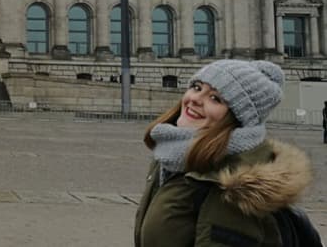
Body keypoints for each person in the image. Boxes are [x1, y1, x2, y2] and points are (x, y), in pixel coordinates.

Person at [134, 60, 314, 246]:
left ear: (237, 118)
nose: (195, 99)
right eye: (197, 87)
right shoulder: (174, 157)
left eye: (215, 98)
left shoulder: (234, 187)